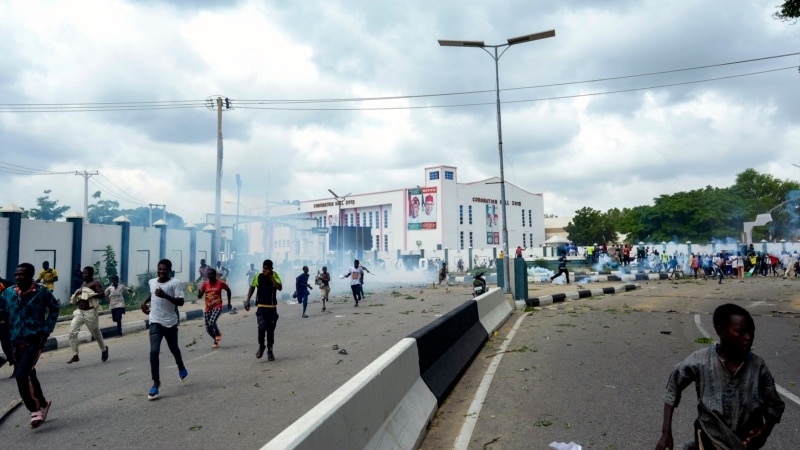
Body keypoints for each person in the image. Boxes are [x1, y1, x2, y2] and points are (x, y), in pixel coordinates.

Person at [655, 303, 785, 450]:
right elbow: (673, 387)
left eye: (751, 331)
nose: (748, 337)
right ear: (721, 332)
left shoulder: (758, 367)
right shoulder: (700, 360)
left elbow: (775, 405)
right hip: (709, 438)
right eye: (741, 332)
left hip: (743, 444)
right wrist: (666, 433)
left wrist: (764, 431)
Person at [0, 263, 59, 428]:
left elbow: (54, 309)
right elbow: (2, 312)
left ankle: (34, 410)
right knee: (30, 374)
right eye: (16, 274)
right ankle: (43, 403)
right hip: (15, 340)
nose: (18, 277)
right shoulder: (7, 293)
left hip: (35, 339)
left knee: (21, 375)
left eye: (22, 274)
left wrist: (46, 329)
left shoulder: (42, 293)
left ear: (31, 275)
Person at [141, 259, 188, 400]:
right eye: (159, 269)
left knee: (174, 349)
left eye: (164, 269)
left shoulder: (175, 283)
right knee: (154, 351)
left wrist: (165, 295)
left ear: (169, 270)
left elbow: (180, 302)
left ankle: (180, 366)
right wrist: (144, 302)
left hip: (170, 322)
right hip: (155, 321)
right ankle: (156, 382)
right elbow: (153, 293)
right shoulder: (152, 282)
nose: (161, 271)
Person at [67, 266, 108, 364]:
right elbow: (82, 297)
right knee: (72, 332)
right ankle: (75, 354)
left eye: (86, 273)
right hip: (79, 312)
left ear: (91, 274)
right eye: (83, 273)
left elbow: (102, 294)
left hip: (90, 312)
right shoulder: (83, 283)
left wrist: (91, 295)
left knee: (95, 333)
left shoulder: (95, 283)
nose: (84, 275)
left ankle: (104, 349)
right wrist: (77, 297)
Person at [244, 259, 282, 361]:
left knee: (270, 331)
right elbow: (252, 287)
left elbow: (279, 287)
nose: (264, 270)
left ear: (271, 268)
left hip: (272, 309)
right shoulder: (258, 276)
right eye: (263, 268)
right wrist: (247, 300)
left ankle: (270, 350)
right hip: (261, 308)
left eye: (266, 268)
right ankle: (261, 346)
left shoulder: (275, 275)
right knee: (261, 327)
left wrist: (270, 276)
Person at [197, 268, 231, 348]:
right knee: (208, 328)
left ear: (215, 275)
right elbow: (199, 296)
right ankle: (215, 339)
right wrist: (199, 292)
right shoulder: (205, 284)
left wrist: (229, 303)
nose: (210, 276)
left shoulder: (220, 283)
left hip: (217, 306)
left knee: (212, 322)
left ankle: (218, 334)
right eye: (208, 275)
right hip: (208, 308)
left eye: (211, 274)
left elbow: (228, 291)